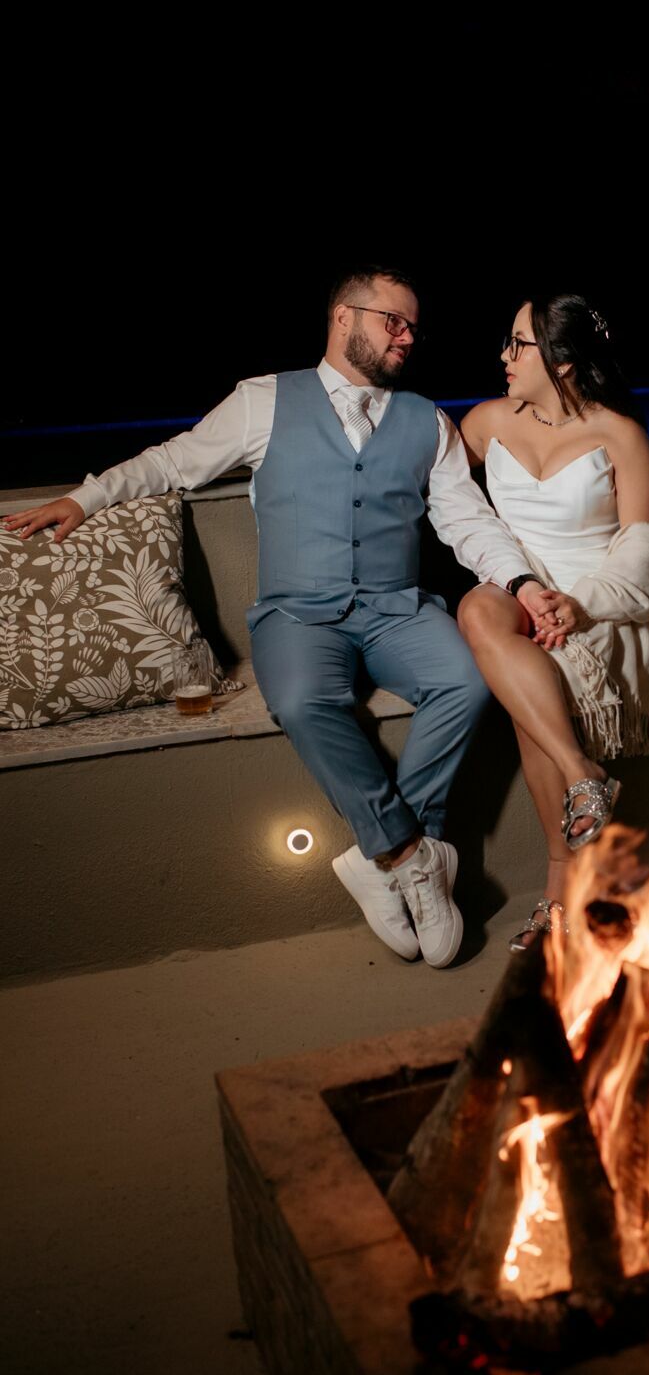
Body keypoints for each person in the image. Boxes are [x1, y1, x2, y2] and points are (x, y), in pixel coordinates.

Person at [2, 266, 558, 968]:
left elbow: (466, 521)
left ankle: (391, 858)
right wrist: (85, 499)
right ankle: (412, 855)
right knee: (300, 699)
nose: (407, 337)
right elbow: (177, 461)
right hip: (298, 614)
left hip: (397, 610)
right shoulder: (262, 400)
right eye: (393, 321)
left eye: (414, 327)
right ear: (343, 318)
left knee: (469, 682)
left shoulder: (428, 420)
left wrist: (522, 581)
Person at [457, 292, 649, 951]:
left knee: (535, 676)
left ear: (565, 360)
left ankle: (559, 899)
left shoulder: (620, 435)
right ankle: (584, 775)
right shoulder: (486, 422)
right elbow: (439, 493)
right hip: (515, 587)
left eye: (518, 344)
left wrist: (580, 602)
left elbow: (641, 549)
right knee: (475, 608)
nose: (504, 356)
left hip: (593, 597)